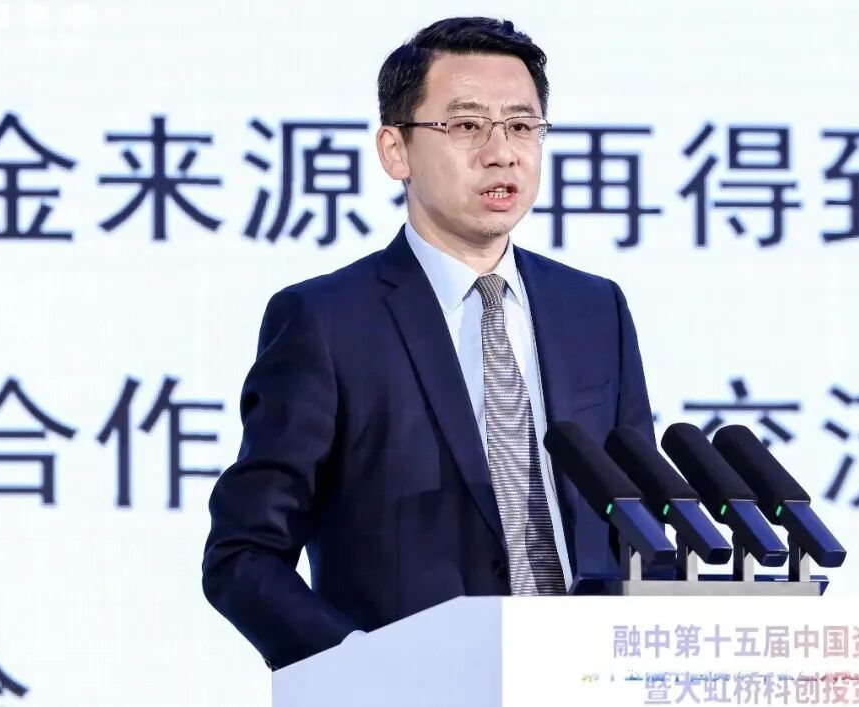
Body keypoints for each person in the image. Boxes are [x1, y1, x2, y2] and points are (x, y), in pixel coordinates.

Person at [202, 16, 653, 670]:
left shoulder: (594, 309)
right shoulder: (327, 321)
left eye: (522, 126)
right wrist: (359, 666)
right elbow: (243, 555)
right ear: (396, 151)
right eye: (466, 125)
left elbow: (638, 521)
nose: (502, 152)